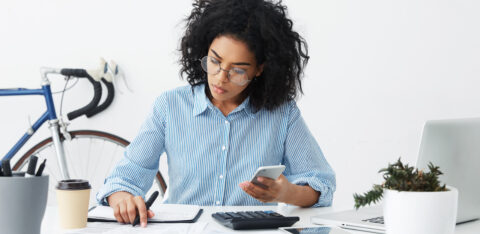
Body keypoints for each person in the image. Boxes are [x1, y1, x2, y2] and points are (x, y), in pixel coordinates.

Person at [97, 0, 336, 227]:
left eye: (238, 70)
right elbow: (122, 180)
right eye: (214, 61)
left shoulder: (282, 114)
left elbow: (321, 184)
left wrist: (288, 192)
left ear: (260, 69)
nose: (221, 78)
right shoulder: (170, 106)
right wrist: (124, 201)